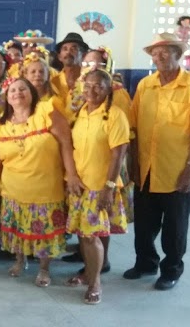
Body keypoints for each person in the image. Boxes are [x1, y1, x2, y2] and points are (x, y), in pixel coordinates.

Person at [0, 78, 81, 287]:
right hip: (13, 190)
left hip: (46, 189)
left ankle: (44, 269)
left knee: (44, 233)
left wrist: (72, 175)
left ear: (31, 93)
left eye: (23, 89)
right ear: (6, 97)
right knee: (18, 228)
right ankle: (21, 260)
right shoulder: (0, 125)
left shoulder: (47, 113)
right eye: (12, 90)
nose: (17, 93)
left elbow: (66, 142)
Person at [123, 33, 190, 291]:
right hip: (146, 169)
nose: (160, 56)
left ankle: (171, 270)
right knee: (144, 225)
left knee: (174, 228)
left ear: (178, 55)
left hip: (177, 169)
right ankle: (145, 263)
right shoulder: (146, 85)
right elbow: (132, 127)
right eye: (156, 53)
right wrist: (133, 162)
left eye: (166, 51)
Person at [64, 69, 130, 304]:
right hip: (79, 186)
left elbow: (118, 154)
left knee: (92, 237)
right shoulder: (80, 113)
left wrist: (109, 187)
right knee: (84, 235)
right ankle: (89, 272)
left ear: (108, 89)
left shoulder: (114, 114)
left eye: (98, 86)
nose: (91, 91)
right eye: (88, 85)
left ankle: (95, 284)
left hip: (100, 186)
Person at [51, 32, 89, 102]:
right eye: (65, 49)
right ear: (59, 57)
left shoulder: (89, 81)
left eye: (73, 49)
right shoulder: (53, 82)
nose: (68, 52)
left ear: (84, 56)